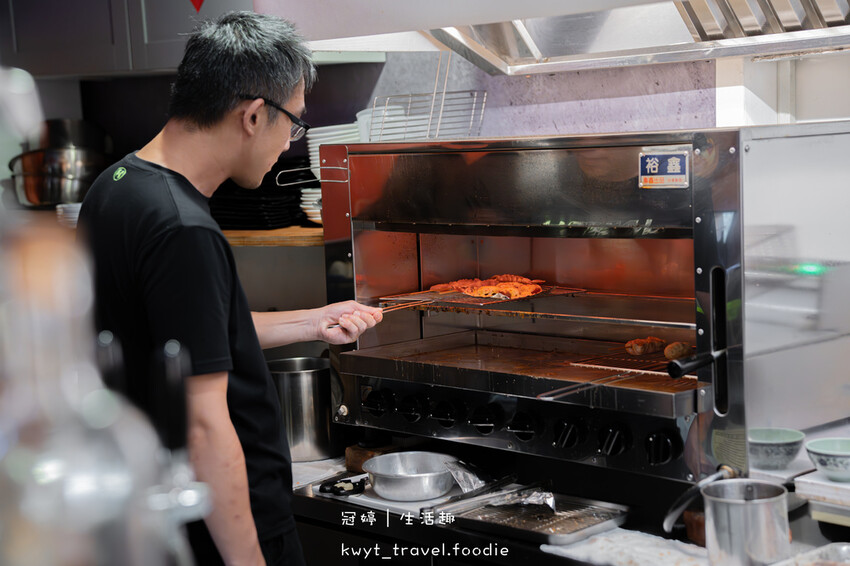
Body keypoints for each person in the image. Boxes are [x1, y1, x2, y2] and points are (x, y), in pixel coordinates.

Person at [77, 11, 382, 566]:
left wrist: (314, 321)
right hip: (223, 529)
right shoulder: (184, 230)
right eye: (294, 122)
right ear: (254, 115)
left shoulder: (117, 185)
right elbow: (204, 425)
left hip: (160, 512)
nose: (292, 142)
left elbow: (187, 335)